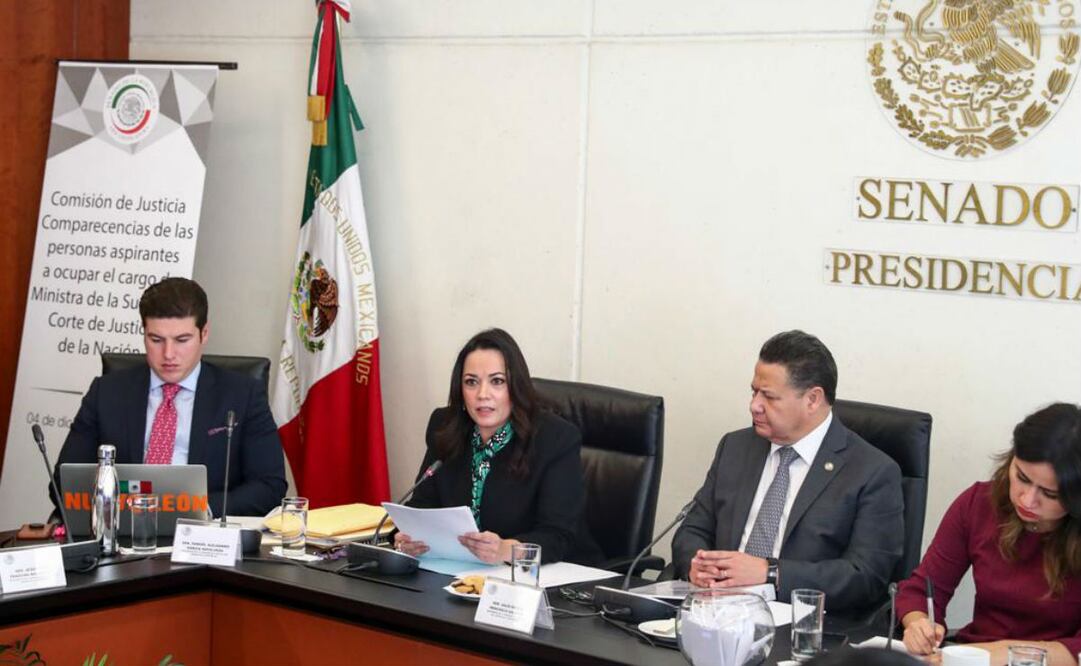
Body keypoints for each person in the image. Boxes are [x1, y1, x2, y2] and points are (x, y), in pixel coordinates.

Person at [671, 330, 904, 611]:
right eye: (754, 391)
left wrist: (770, 574)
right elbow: (693, 529)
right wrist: (697, 566)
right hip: (717, 611)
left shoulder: (872, 472)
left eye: (769, 397)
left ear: (813, 399)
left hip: (802, 625)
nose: (754, 405)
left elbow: (865, 577)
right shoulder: (735, 447)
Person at [55, 277, 287, 517]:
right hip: (123, 529)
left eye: (181, 340)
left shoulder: (242, 395)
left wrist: (197, 508)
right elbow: (62, 482)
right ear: (143, 333)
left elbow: (270, 487)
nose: (168, 354)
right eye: (156, 340)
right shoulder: (107, 392)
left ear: (204, 333)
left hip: (203, 535)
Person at [394, 328, 602, 565]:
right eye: (471, 382)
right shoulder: (445, 427)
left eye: (497, 381)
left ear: (516, 387)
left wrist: (505, 550)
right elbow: (423, 506)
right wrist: (406, 538)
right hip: (463, 574)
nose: (483, 394)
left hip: (551, 580)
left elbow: (558, 536)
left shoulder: (555, 438)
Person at [897, 403, 1081, 666]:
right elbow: (921, 588)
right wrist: (919, 623)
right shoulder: (979, 504)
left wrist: (1004, 652)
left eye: (1050, 494)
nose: (1027, 500)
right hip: (973, 657)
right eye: (1022, 477)